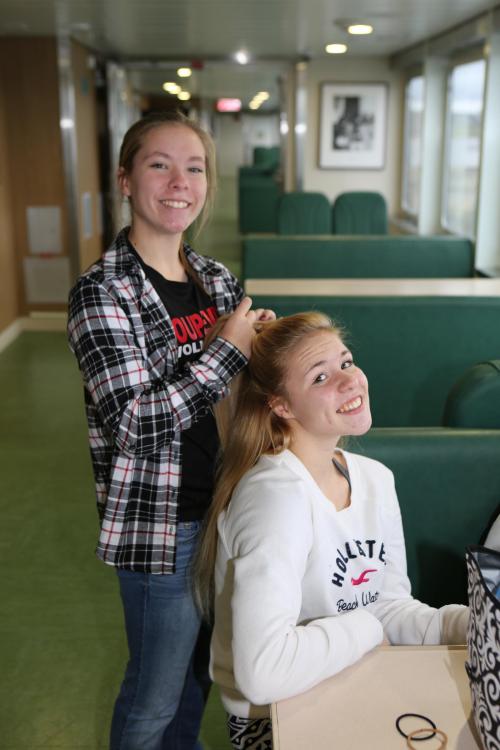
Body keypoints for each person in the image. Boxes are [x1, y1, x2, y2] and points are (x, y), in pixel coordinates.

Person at [67, 110, 274, 750]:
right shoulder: (101, 293)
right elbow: (132, 424)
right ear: (126, 180)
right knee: (153, 696)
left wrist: (266, 347)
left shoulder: (214, 280)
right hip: (162, 526)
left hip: (223, 510)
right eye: (160, 164)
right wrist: (226, 354)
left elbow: (239, 392)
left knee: (197, 678)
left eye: (195, 167)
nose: (180, 181)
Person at [196, 311, 469, 750]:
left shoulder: (375, 478)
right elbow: (263, 673)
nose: (349, 381)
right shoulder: (274, 497)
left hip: (356, 673)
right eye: (320, 377)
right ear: (281, 405)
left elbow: (389, 607)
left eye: (346, 362)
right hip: (276, 717)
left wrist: (468, 626)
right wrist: (367, 628)